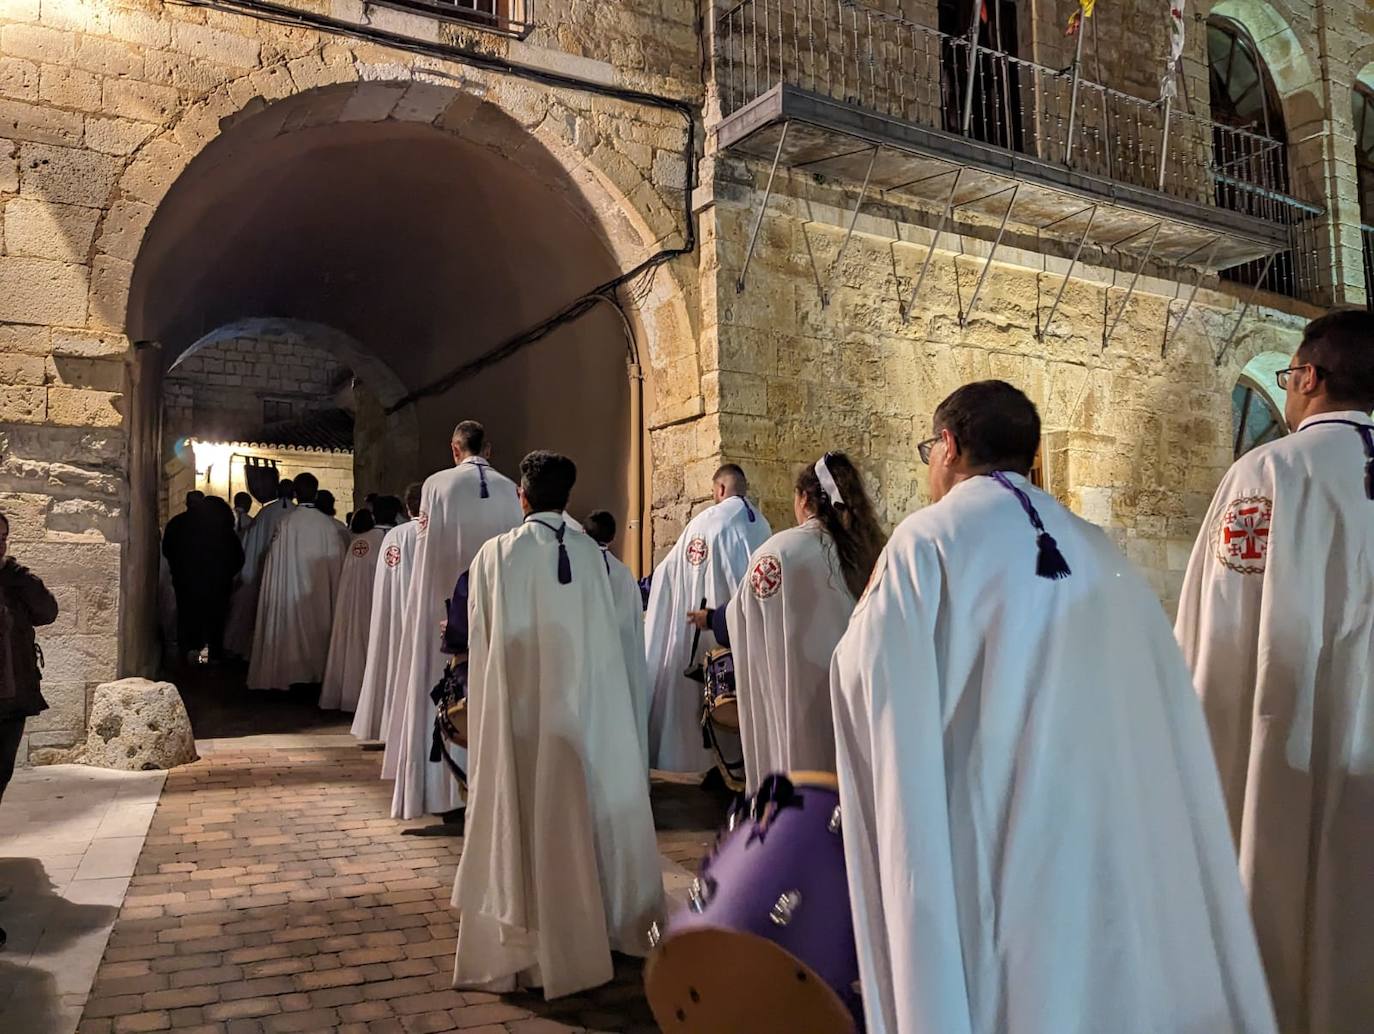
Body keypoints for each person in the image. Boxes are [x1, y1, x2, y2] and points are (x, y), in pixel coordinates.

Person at [830, 381, 1276, 1034]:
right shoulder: (1100, 550)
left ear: (949, 446)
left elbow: (867, 677)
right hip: (1107, 851)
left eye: (931, 448)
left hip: (1003, 853)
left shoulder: (928, 542)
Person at [1175, 309, 1374, 1034]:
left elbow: (1216, 640)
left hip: (1285, 763)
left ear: (1310, 379)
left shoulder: (1268, 472)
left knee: (1279, 934)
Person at [451, 452, 662, 998]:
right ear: (568, 498)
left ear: (522, 495)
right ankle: (598, 930)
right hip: (586, 724)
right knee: (587, 824)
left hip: (521, 722)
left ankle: (531, 944)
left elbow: (483, 646)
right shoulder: (599, 561)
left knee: (524, 821)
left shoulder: (494, 557)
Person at [690, 452, 885, 793]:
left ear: (805, 498)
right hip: (859, 701)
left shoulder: (778, 552)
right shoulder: (871, 552)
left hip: (800, 700)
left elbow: (742, 617)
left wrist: (713, 620)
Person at [388, 421, 521, 822]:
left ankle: (445, 793)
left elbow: (427, 559)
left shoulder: (437, 486)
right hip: (497, 612)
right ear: (489, 449)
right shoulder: (511, 488)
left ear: (454, 449)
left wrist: (426, 610)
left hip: (445, 611)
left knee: (444, 693)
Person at [644, 464, 772, 772]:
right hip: (748, 641)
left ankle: (691, 764)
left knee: (694, 716)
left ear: (720, 490)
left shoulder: (707, 523)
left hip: (709, 634)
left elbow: (671, 574)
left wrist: (635, 589)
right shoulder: (762, 525)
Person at [247, 472, 347, 691]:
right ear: (316, 492)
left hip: (290, 598)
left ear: (295, 493)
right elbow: (337, 569)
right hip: (320, 599)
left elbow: (274, 566)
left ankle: (290, 675)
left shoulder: (287, 524)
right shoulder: (328, 527)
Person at [584, 509, 650, 767]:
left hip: (589, 660)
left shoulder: (578, 568)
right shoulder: (624, 574)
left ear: (583, 533)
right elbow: (635, 621)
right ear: (612, 538)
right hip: (621, 660)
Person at [320, 496, 396, 712]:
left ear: (373, 514)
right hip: (394, 614)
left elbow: (351, 584)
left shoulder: (361, 543)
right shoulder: (406, 538)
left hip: (362, 612)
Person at [358, 485, 420, 747]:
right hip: (421, 619)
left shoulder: (395, 536)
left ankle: (386, 724)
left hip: (394, 617)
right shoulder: (432, 534)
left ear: (407, 508)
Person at [224, 478, 295, 658]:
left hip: (262, 576)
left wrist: (246, 574)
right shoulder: (298, 515)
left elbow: (251, 544)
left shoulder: (264, 514)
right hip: (292, 581)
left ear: (277, 492)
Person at [185, 497, 245, 665]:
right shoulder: (227, 534)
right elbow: (238, 558)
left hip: (193, 582)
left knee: (194, 617)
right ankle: (214, 655)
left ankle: (194, 653)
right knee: (216, 621)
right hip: (219, 584)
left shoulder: (190, 530)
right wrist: (226, 574)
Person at [161, 490, 206, 664]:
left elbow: (167, 550)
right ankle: (202, 656)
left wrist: (177, 566)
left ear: (186, 503)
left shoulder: (176, 523)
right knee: (202, 617)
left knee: (184, 614)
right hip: (205, 579)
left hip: (182, 577)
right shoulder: (210, 526)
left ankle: (184, 652)